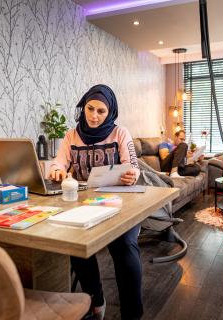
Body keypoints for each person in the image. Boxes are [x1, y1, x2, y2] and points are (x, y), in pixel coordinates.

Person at [49, 84, 142, 320]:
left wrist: (133, 174)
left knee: (124, 248)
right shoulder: (71, 135)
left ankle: (132, 314)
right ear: (84, 106)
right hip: (83, 206)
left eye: (101, 111)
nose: (94, 115)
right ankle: (96, 302)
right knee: (78, 245)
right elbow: (58, 162)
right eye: (90, 108)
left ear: (110, 112)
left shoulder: (120, 133)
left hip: (120, 203)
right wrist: (57, 171)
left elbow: (133, 166)